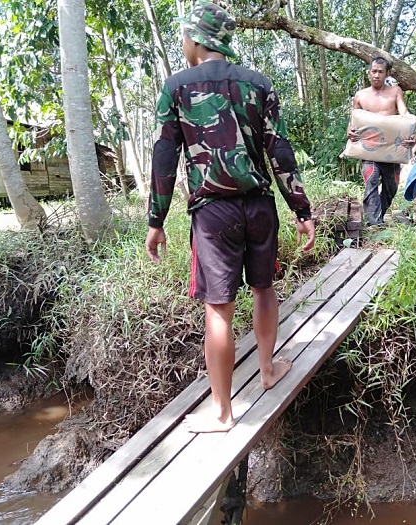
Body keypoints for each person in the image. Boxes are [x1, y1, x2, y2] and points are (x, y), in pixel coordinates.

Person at [144, 0, 315, 433]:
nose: (183, 42)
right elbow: (280, 151)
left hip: (213, 214)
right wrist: (302, 209)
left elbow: (165, 157)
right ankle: (268, 370)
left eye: (184, 36)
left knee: (218, 311)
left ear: (196, 38)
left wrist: (156, 220)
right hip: (259, 207)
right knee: (264, 288)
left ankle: (222, 412)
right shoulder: (258, 83)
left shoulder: (177, 87)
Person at [348, 57, 411, 226]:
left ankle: (378, 216)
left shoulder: (395, 91)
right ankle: (374, 224)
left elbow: (404, 114)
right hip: (369, 149)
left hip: (391, 150)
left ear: (387, 74)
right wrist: (350, 132)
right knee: (372, 181)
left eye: (380, 72)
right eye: (373, 71)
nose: (376, 75)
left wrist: (411, 132)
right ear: (369, 73)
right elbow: (353, 121)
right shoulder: (360, 96)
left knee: (392, 187)